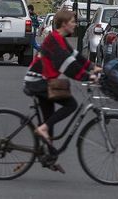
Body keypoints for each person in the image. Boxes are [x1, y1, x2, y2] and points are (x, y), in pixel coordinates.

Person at [23, 10, 100, 146]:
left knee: (49, 118)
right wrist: (87, 77)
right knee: (71, 105)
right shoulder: (54, 40)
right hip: (38, 81)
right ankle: (43, 130)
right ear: (64, 24)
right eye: (72, 22)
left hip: (43, 80)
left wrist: (92, 67)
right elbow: (67, 65)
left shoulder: (59, 38)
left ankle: (49, 155)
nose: (75, 25)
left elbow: (75, 56)